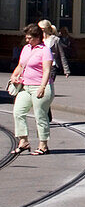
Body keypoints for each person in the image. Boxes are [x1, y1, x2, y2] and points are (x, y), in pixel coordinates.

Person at [8, 23, 54, 155]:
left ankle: (43, 145)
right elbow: (20, 66)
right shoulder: (26, 48)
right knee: (18, 111)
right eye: (26, 38)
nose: (27, 40)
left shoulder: (45, 50)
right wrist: (14, 77)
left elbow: (47, 71)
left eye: (30, 38)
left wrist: (42, 87)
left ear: (38, 37)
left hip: (40, 87)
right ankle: (23, 141)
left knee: (40, 115)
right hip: (25, 86)